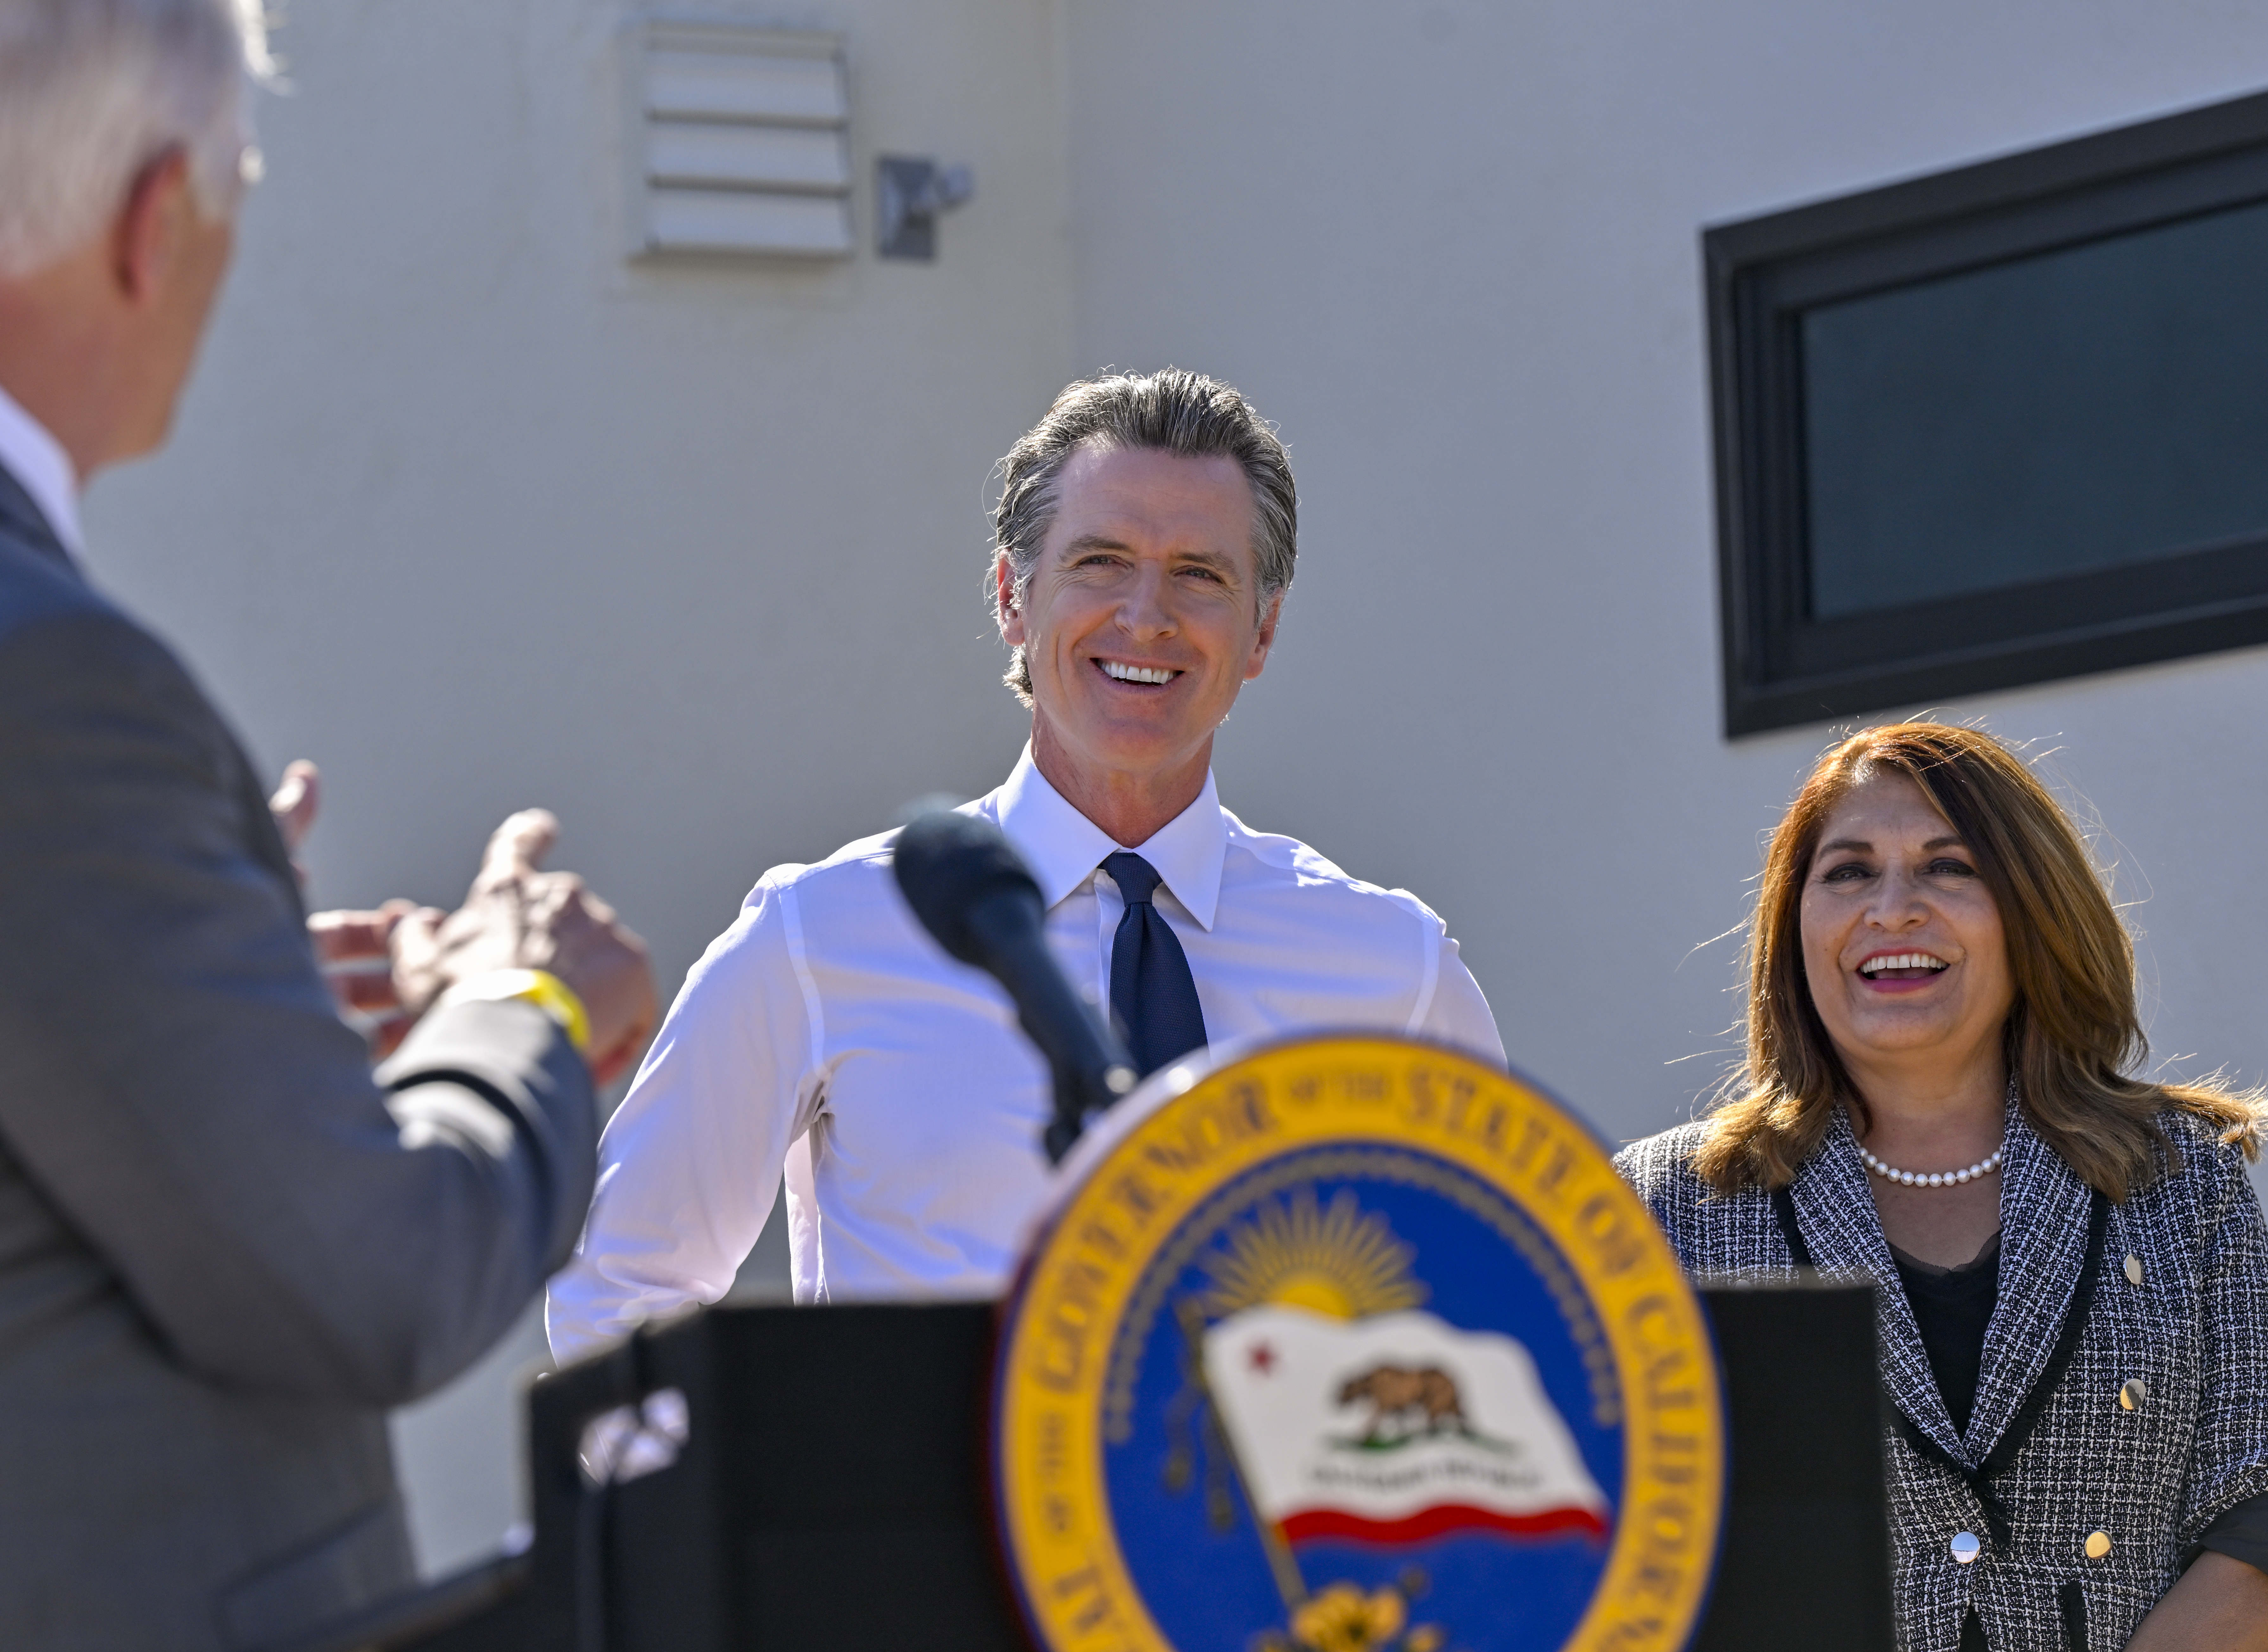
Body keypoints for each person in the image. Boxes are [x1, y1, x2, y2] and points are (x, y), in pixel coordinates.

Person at [0, 3, 656, 1647]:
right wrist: (526, 1003)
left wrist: (209, 991)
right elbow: (372, 1281)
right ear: (157, 220)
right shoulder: (56, 683)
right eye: (237, 185)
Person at [548, 369, 1502, 1354]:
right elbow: (620, 1291)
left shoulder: (1394, 969)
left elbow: (1502, 1297)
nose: (1146, 614)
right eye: (1099, 561)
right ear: (1012, 597)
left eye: (1200, 574)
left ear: (1261, 630)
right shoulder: (821, 933)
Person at [1617, 723, 2268, 1652]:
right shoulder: (1661, 1205)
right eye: (1847, 872)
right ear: (1792, 921)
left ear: (2029, 910)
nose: (1891, 908)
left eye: (1947, 867)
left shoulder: (2177, 1175)